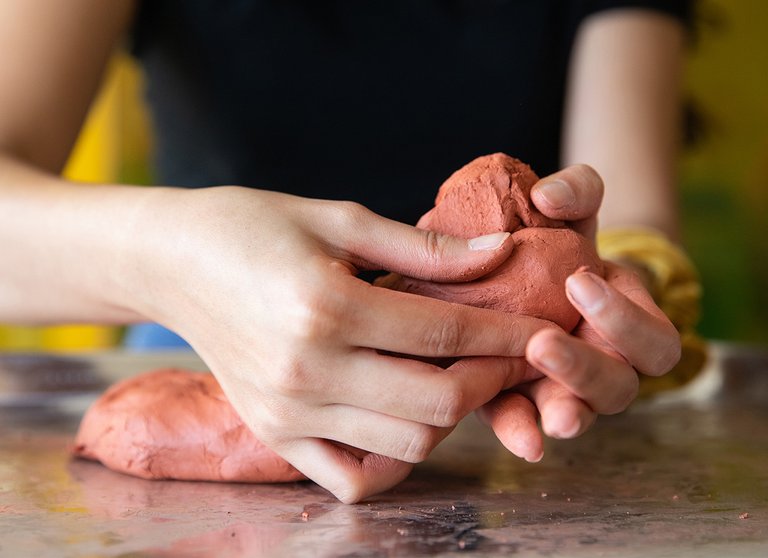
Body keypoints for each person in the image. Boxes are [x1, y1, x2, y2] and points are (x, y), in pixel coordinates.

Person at [0, 0, 694, 503]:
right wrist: (169, 259)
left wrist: (616, 293)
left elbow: (626, 209)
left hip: (492, 390)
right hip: (195, 336)